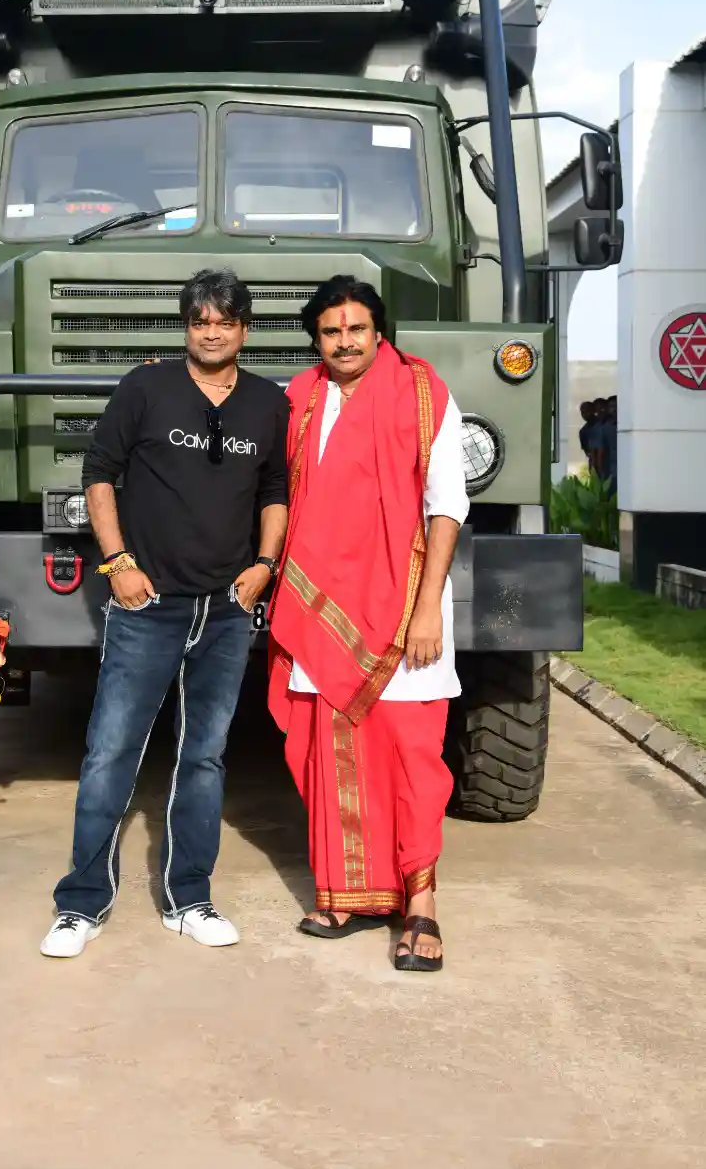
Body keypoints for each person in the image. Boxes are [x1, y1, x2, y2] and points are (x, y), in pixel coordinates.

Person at [40, 268, 291, 958]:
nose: (212, 331)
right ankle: (81, 905)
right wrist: (119, 564)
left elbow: (276, 489)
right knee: (111, 752)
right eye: (200, 320)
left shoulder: (269, 404)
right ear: (187, 325)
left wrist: (264, 567)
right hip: (147, 606)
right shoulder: (144, 388)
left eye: (225, 320)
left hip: (227, 610)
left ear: (245, 329)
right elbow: (99, 473)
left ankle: (191, 897)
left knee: (203, 758)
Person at [267, 275, 469, 973]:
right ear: (315, 340)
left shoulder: (422, 392)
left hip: (406, 609)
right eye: (330, 331)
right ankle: (348, 893)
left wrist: (424, 608)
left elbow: (447, 505)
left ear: (379, 332)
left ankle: (422, 904)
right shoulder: (298, 400)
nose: (344, 341)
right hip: (320, 611)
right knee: (329, 751)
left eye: (356, 328)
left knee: (412, 757)